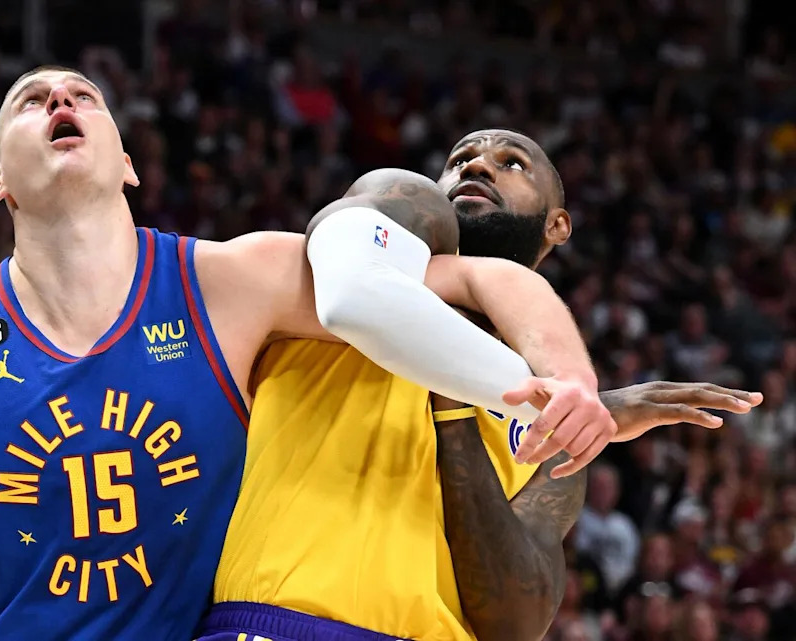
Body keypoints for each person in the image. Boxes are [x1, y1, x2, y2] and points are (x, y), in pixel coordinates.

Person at [0, 68, 611, 641]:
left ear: (128, 164)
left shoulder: (233, 283)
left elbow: (484, 278)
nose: (60, 99)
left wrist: (573, 382)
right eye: (30, 102)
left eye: (84, 96)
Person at [198, 129, 762, 641]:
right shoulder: (332, 271)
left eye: (513, 163)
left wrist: (455, 405)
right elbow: (354, 294)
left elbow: (515, 621)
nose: (477, 167)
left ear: (557, 225)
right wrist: (494, 379)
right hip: (279, 623)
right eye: (459, 160)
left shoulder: (555, 429)